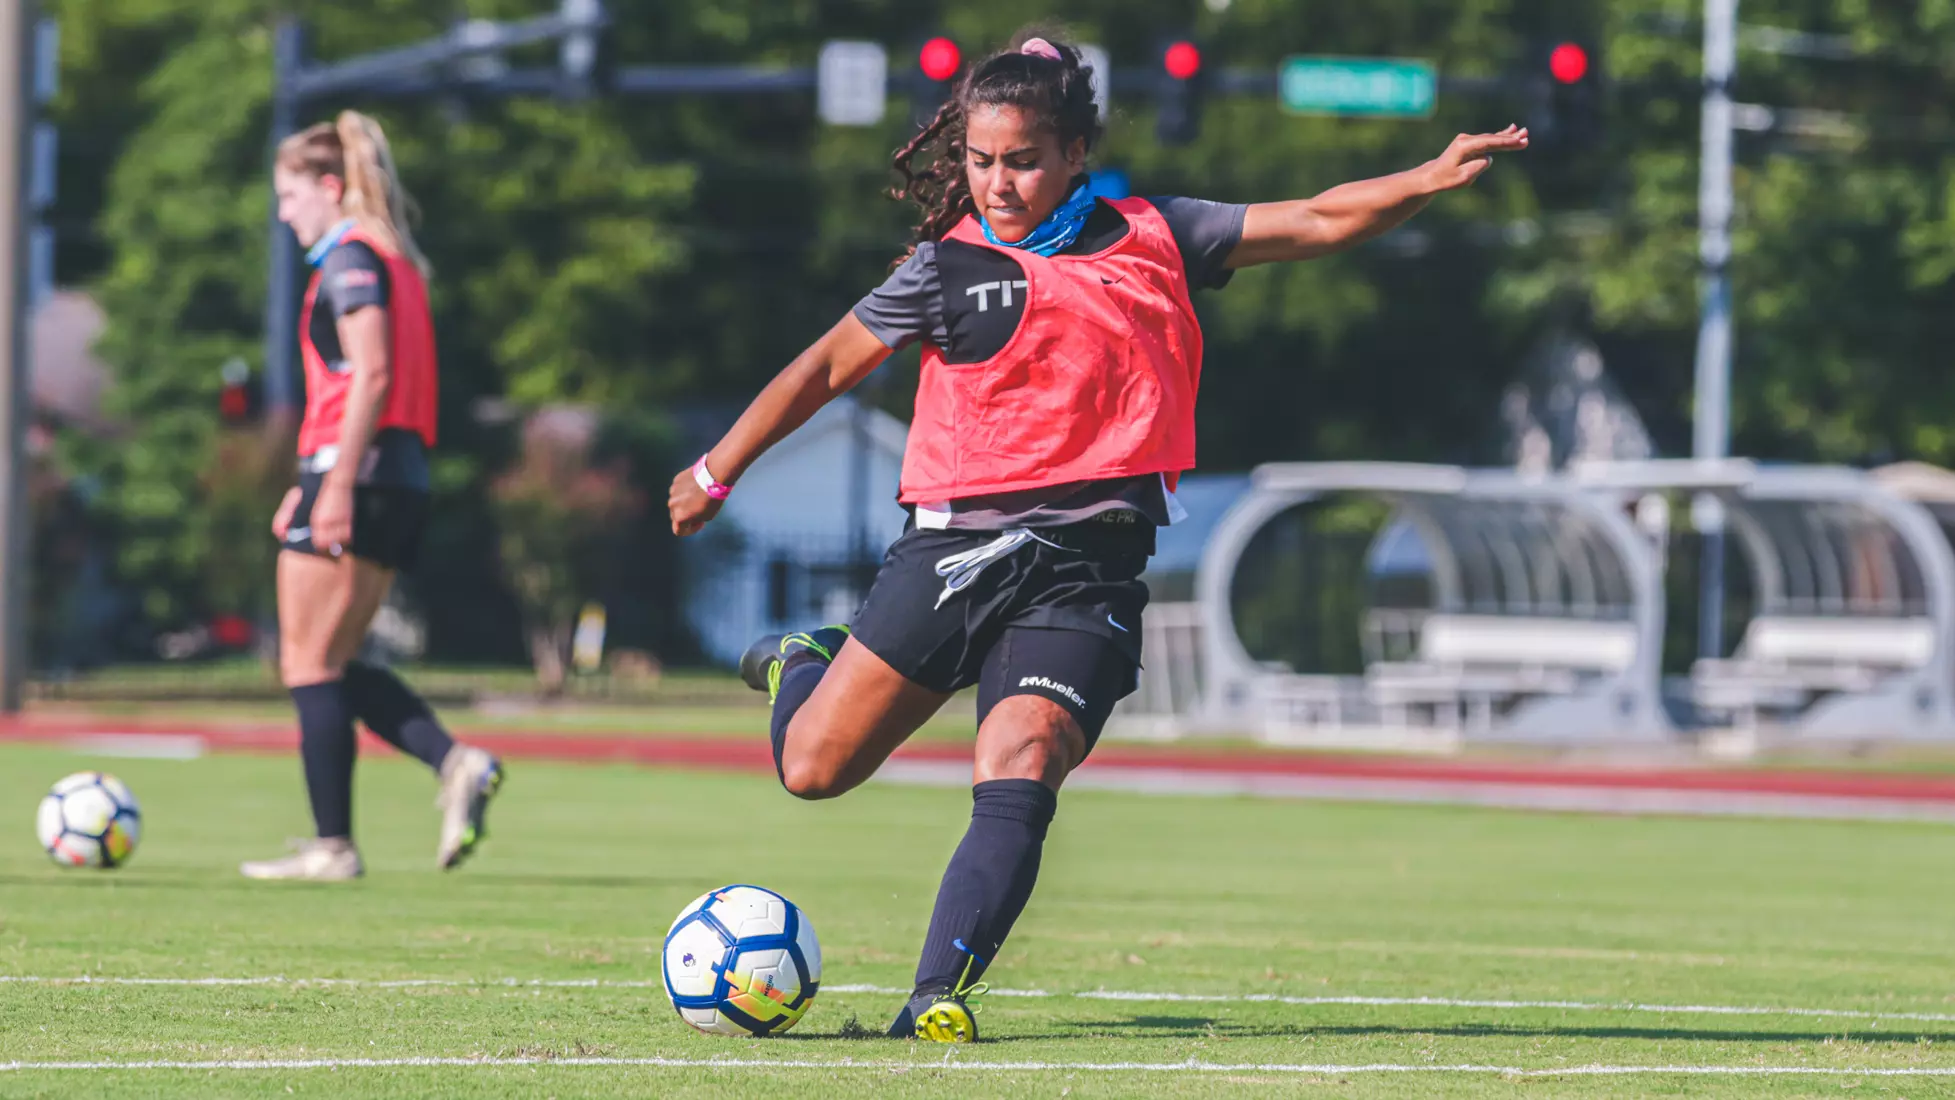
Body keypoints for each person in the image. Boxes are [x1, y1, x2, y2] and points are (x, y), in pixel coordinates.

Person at [667, 32, 1525, 1040]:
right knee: (812, 768)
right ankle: (803, 661)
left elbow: (1322, 218)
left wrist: (1425, 174)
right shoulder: (943, 270)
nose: (998, 183)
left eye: (1022, 160)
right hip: (952, 553)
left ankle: (930, 997)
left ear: (1075, 151)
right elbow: (822, 368)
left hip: (1087, 572)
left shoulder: (1161, 233)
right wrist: (715, 468)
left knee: (1021, 753)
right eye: (982, 162)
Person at [241, 111, 504, 881]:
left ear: (329, 187)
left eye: (290, 194)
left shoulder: (352, 258)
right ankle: (454, 762)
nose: (284, 211)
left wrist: (332, 484)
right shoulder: (395, 259)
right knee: (333, 658)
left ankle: (334, 846)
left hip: (356, 470)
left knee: (307, 663)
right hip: (393, 472)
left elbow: (372, 375)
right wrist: (313, 482)